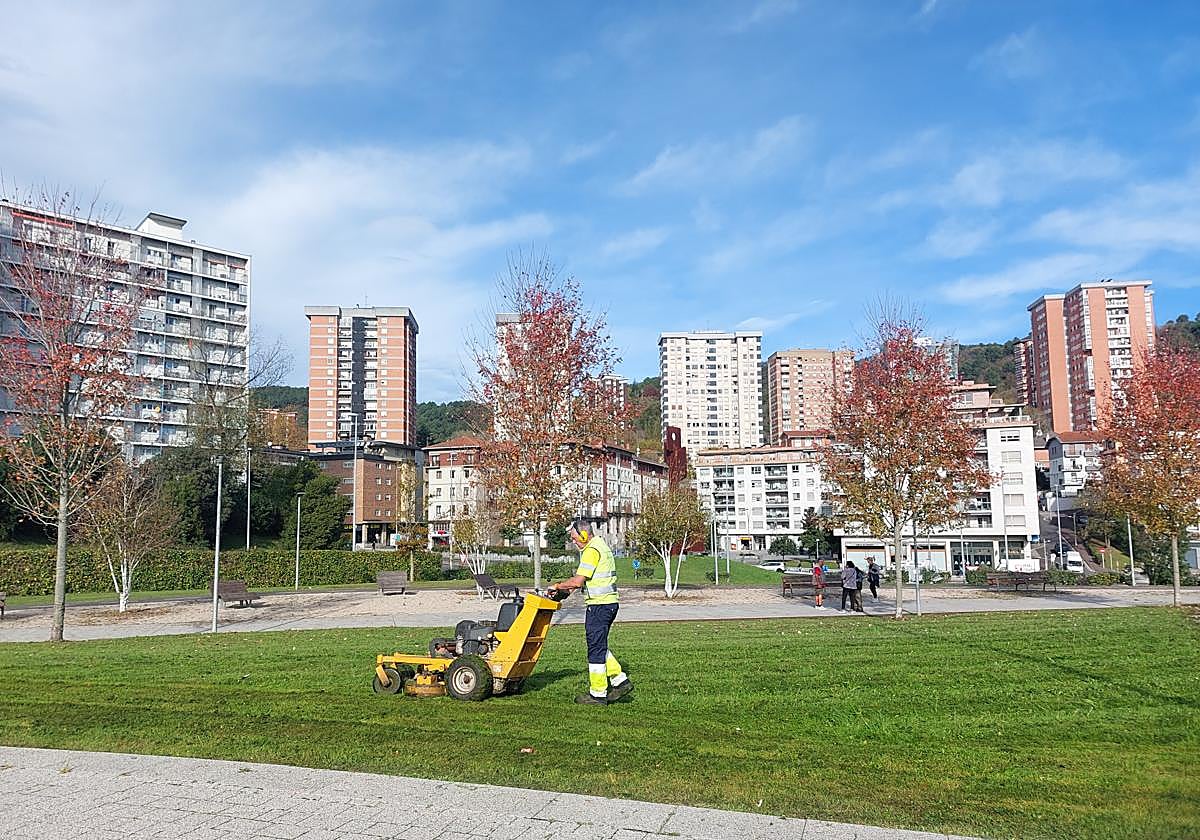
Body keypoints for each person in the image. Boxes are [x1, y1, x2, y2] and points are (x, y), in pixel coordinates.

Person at [548, 521, 632, 706]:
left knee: (594, 649)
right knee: (599, 644)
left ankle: (598, 694)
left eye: (574, 538)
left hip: (599, 607)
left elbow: (578, 581)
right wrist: (563, 592)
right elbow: (586, 580)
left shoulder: (591, 550)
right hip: (608, 604)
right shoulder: (601, 546)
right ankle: (620, 681)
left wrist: (557, 586)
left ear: (584, 536)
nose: (574, 542)